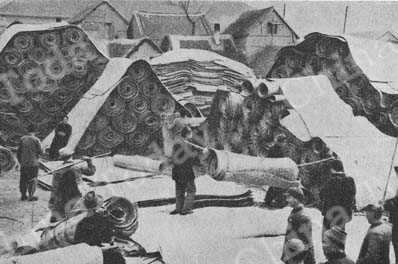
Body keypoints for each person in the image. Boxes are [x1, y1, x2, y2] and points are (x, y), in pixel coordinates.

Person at [48, 150, 96, 222]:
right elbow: (91, 172)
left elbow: (55, 186)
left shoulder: (58, 170)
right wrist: (89, 162)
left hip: (64, 193)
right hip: (78, 191)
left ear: (61, 158)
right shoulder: (77, 167)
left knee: (64, 210)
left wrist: (53, 198)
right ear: (71, 156)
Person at [169, 126, 207, 215]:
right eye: (190, 133)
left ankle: (178, 208)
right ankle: (186, 209)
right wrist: (202, 152)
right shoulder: (187, 145)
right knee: (191, 190)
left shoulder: (177, 143)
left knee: (179, 191)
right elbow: (192, 157)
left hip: (177, 171)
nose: (191, 135)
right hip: (186, 171)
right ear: (187, 134)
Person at [319, 162, 356, 243]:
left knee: (327, 238)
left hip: (329, 214)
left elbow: (321, 195)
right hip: (342, 215)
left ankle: (328, 253)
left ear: (332, 169)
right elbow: (352, 197)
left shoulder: (330, 181)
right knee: (339, 237)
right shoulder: (350, 181)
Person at [282, 187, 315, 264]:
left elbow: (308, 243)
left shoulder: (302, 216)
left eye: (289, 197)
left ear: (296, 199)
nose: (287, 200)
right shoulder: (295, 211)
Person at [16, 124, 42, 201]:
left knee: (23, 179)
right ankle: (31, 196)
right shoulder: (36, 140)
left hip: (24, 163)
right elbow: (41, 151)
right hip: (33, 163)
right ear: (35, 131)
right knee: (33, 179)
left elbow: (18, 152)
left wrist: (21, 161)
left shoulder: (22, 139)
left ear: (27, 131)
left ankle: (23, 195)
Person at [264, 134, 289, 208]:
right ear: (280, 142)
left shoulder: (274, 148)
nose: (284, 143)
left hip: (274, 169)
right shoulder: (278, 150)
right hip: (276, 169)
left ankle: (268, 200)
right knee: (278, 186)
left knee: (274, 185)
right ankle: (278, 202)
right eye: (283, 142)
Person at [383, 187, 398, 263]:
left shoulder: (390, 202)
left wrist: (383, 202)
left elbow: (384, 207)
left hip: (395, 231)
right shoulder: (390, 202)